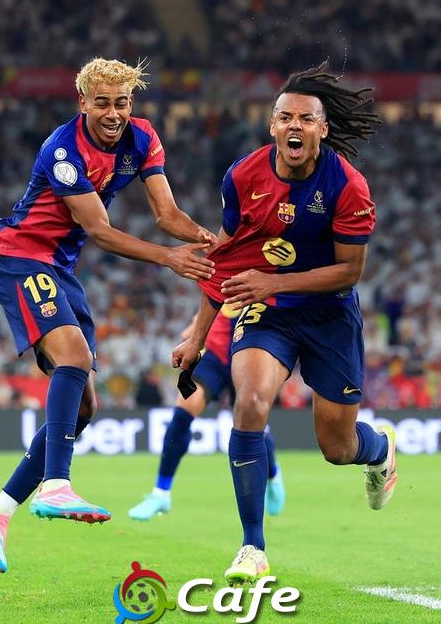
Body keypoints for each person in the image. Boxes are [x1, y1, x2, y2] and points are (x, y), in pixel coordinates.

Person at [0, 58, 217, 574]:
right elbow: (100, 231)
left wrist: (205, 238)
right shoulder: (63, 150)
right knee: (74, 357)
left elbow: (167, 215)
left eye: (121, 103)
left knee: (83, 409)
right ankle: (56, 485)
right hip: (20, 257)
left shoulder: (142, 138)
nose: (113, 113)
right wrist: (169, 258)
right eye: (102, 103)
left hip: (59, 268)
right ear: (82, 102)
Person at [172, 62, 397, 585]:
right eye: (285, 117)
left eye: (306, 119)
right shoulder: (242, 177)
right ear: (272, 125)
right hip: (267, 311)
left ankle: (380, 449)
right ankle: (252, 547)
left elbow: (350, 271)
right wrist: (197, 336)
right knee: (249, 404)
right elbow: (227, 258)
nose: (295, 126)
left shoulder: (348, 186)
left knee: (337, 448)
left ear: (323, 129)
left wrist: (273, 281)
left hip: (329, 314)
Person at [128, 305, 285, 521]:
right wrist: (195, 328)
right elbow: (210, 304)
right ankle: (161, 493)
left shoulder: (268, 285)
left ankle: (273, 474)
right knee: (183, 411)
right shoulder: (223, 285)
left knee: (252, 423)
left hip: (250, 353)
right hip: (215, 356)